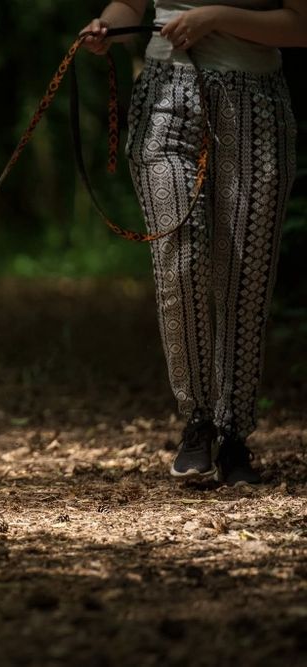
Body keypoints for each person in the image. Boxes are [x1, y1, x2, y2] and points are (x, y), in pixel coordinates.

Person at [79, 1, 306, 484]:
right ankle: (198, 423)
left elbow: (299, 26)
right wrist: (106, 30)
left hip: (255, 105)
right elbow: (129, 5)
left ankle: (234, 435)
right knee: (179, 263)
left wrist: (216, 18)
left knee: (244, 278)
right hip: (164, 99)